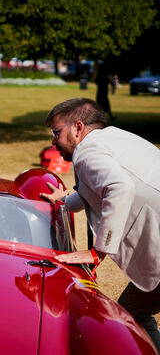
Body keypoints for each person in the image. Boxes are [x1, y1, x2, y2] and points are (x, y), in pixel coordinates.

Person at [39, 97, 160, 352]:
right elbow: (101, 187)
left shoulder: (87, 153)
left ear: (78, 128)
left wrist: (98, 251)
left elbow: (119, 187)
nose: (53, 141)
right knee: (135, 311)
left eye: (57, 132)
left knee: (133, 314)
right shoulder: (115, 138)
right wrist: (65, 201)